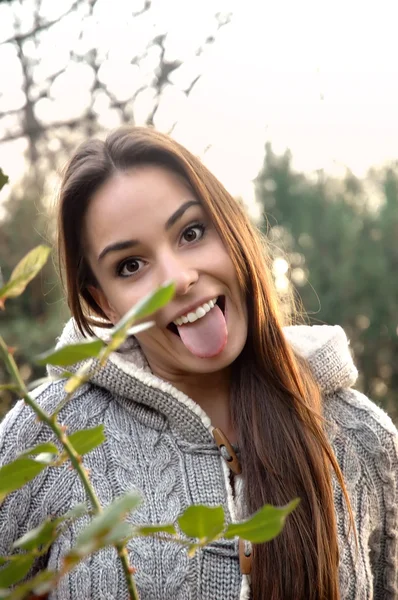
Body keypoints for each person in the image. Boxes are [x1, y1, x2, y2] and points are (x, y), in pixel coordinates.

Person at [0, 126, 397, 600]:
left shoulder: (363, 438)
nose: (180, 279)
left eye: (191, 232)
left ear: (232, 230)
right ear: (102, 302)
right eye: (131, 265)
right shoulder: (47, 436)